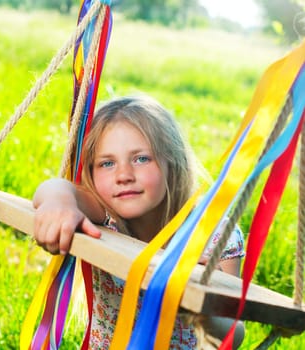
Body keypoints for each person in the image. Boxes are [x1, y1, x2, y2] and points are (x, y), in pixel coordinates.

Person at [33, 95, 245, 349]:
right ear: (91, 172)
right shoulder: (105, 213)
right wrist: (59, 202)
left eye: (141, 159)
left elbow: (233, 336)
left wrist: (201, 303)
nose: (123, 175)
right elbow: (54, 188)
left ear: (172, 162)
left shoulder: (216, 234)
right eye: (107, 163)